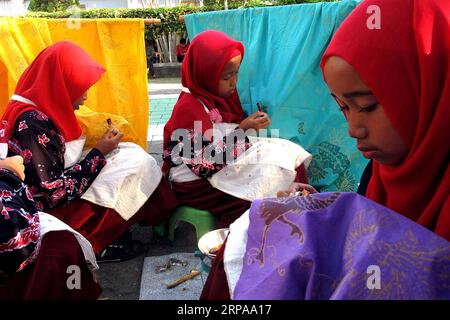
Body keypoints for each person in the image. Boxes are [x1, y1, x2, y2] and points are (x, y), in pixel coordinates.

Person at [200, 0, 450, 299]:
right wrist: (322, 210)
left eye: (367, 106)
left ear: (431, 85)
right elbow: (200, 159)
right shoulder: (382, 173)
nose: (353, 129)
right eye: (344, 108)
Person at [1, 41, 179, 262]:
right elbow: (55, 192)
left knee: (131, 153)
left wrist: (100, 151)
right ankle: (92, 241)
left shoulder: (33, 105)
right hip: (44, 211)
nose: (85, 97)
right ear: (61, 85)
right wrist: (99, 153)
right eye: (80, 88)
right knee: (135, 166)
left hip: (40, 194)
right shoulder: (33, 122)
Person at [163, 30, 311, 228]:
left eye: (236, 73)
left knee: (287, 153)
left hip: (217, 166)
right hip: (195, 186)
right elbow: (203, 166)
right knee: (259, 189)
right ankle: (238, 238)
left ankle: (300, 214)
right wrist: (243, 129)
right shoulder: (188, 109)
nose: (234, 82)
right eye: (226, 77)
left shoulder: (215, 97)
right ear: (204, 74)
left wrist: (246, 127)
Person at [0, 155, 101, 299]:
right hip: (17, 248)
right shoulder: (28, 132)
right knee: (62, 246)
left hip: (24, 221)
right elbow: (16, 243)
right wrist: (8, 171)